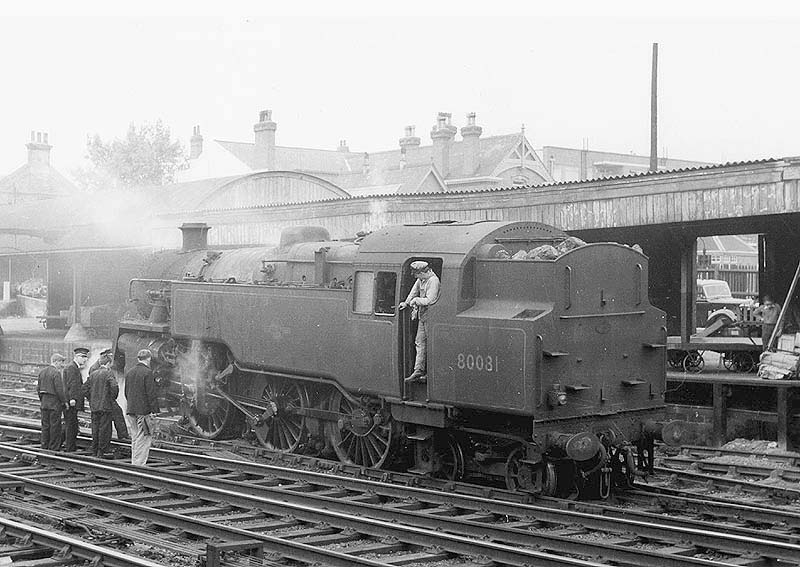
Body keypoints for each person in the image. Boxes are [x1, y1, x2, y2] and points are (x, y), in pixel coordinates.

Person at [398, 261, 440, 382]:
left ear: (423, 272)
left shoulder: (433, 281)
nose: (416, 277)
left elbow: (430, 300)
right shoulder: (421, 279)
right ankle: (418, 370)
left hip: (432, 318)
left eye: (417, 275)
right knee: (420, 342)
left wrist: (416, 301)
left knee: (431, 345)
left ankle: (430, 373)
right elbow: (414, 291)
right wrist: (406, 302)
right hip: (423, 317)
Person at [124, 349, 160, 466]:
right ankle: (138, 465)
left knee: (135, 437)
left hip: (131, 410)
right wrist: (154, 410)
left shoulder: (130, 372)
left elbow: (126, 392)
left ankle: (135, 461)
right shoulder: (147, 373)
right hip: (143, 411)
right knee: (143, 438)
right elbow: (151, 393)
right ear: (149, 359)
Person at [89, 348, 129, 441]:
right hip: (104, 399)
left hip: (103, 398)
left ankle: (122, 435)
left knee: (115, 415)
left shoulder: (98, 367)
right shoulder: (95, 369)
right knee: (109, 419)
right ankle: (120, 436)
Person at [82, 355, 119, 458]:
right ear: (108, 364)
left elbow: (84, 389)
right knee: (104, 429)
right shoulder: (108, 374)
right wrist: (111, 398)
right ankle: (102, 451)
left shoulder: (93, 374)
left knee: (95, 428)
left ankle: (94, 449)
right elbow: (114, 386)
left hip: (94, 407)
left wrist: (91, 399)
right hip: (105, 407)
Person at [37, 353, 67, 451]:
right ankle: (53, 447)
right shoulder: (56, 373)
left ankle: (44, 445)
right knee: (55, 426)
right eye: (61, 362)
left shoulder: (42, 372)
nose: (61, 365)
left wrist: (42, 399)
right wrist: (64, 402)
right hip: (54, 403)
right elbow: (59, 390)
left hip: (44, 403)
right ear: (56, 361)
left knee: (45, 425)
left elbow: (38, 388)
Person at [63, 347, 89, 452]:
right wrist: (72, 398)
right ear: (76, 357)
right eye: (83, 357)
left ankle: (71, 445)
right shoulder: (72, 368)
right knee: (71, 424)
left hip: (71, 401)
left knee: (72, 423)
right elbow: (72, 384)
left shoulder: (73, 367)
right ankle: (70, 447)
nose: (85, 359)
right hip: (71, 402)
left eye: (86, 357)